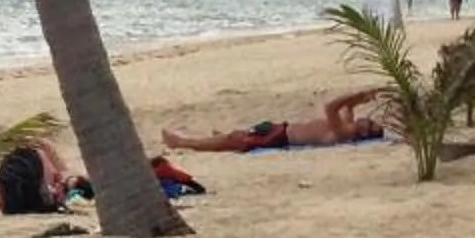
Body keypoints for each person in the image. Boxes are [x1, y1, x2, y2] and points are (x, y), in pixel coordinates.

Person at [161, 91, 386, 153]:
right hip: (279, 129)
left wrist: (355, 95)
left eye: (368, 125)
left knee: (234, 141)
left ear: (362, 134)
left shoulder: (343, 133)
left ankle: (181, 143)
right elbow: (347, 109)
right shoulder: (348, 126)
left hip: (278, 137)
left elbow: (332, 107)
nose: (366, 121)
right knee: (236, 135)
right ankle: (218, 137)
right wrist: (360, 99)